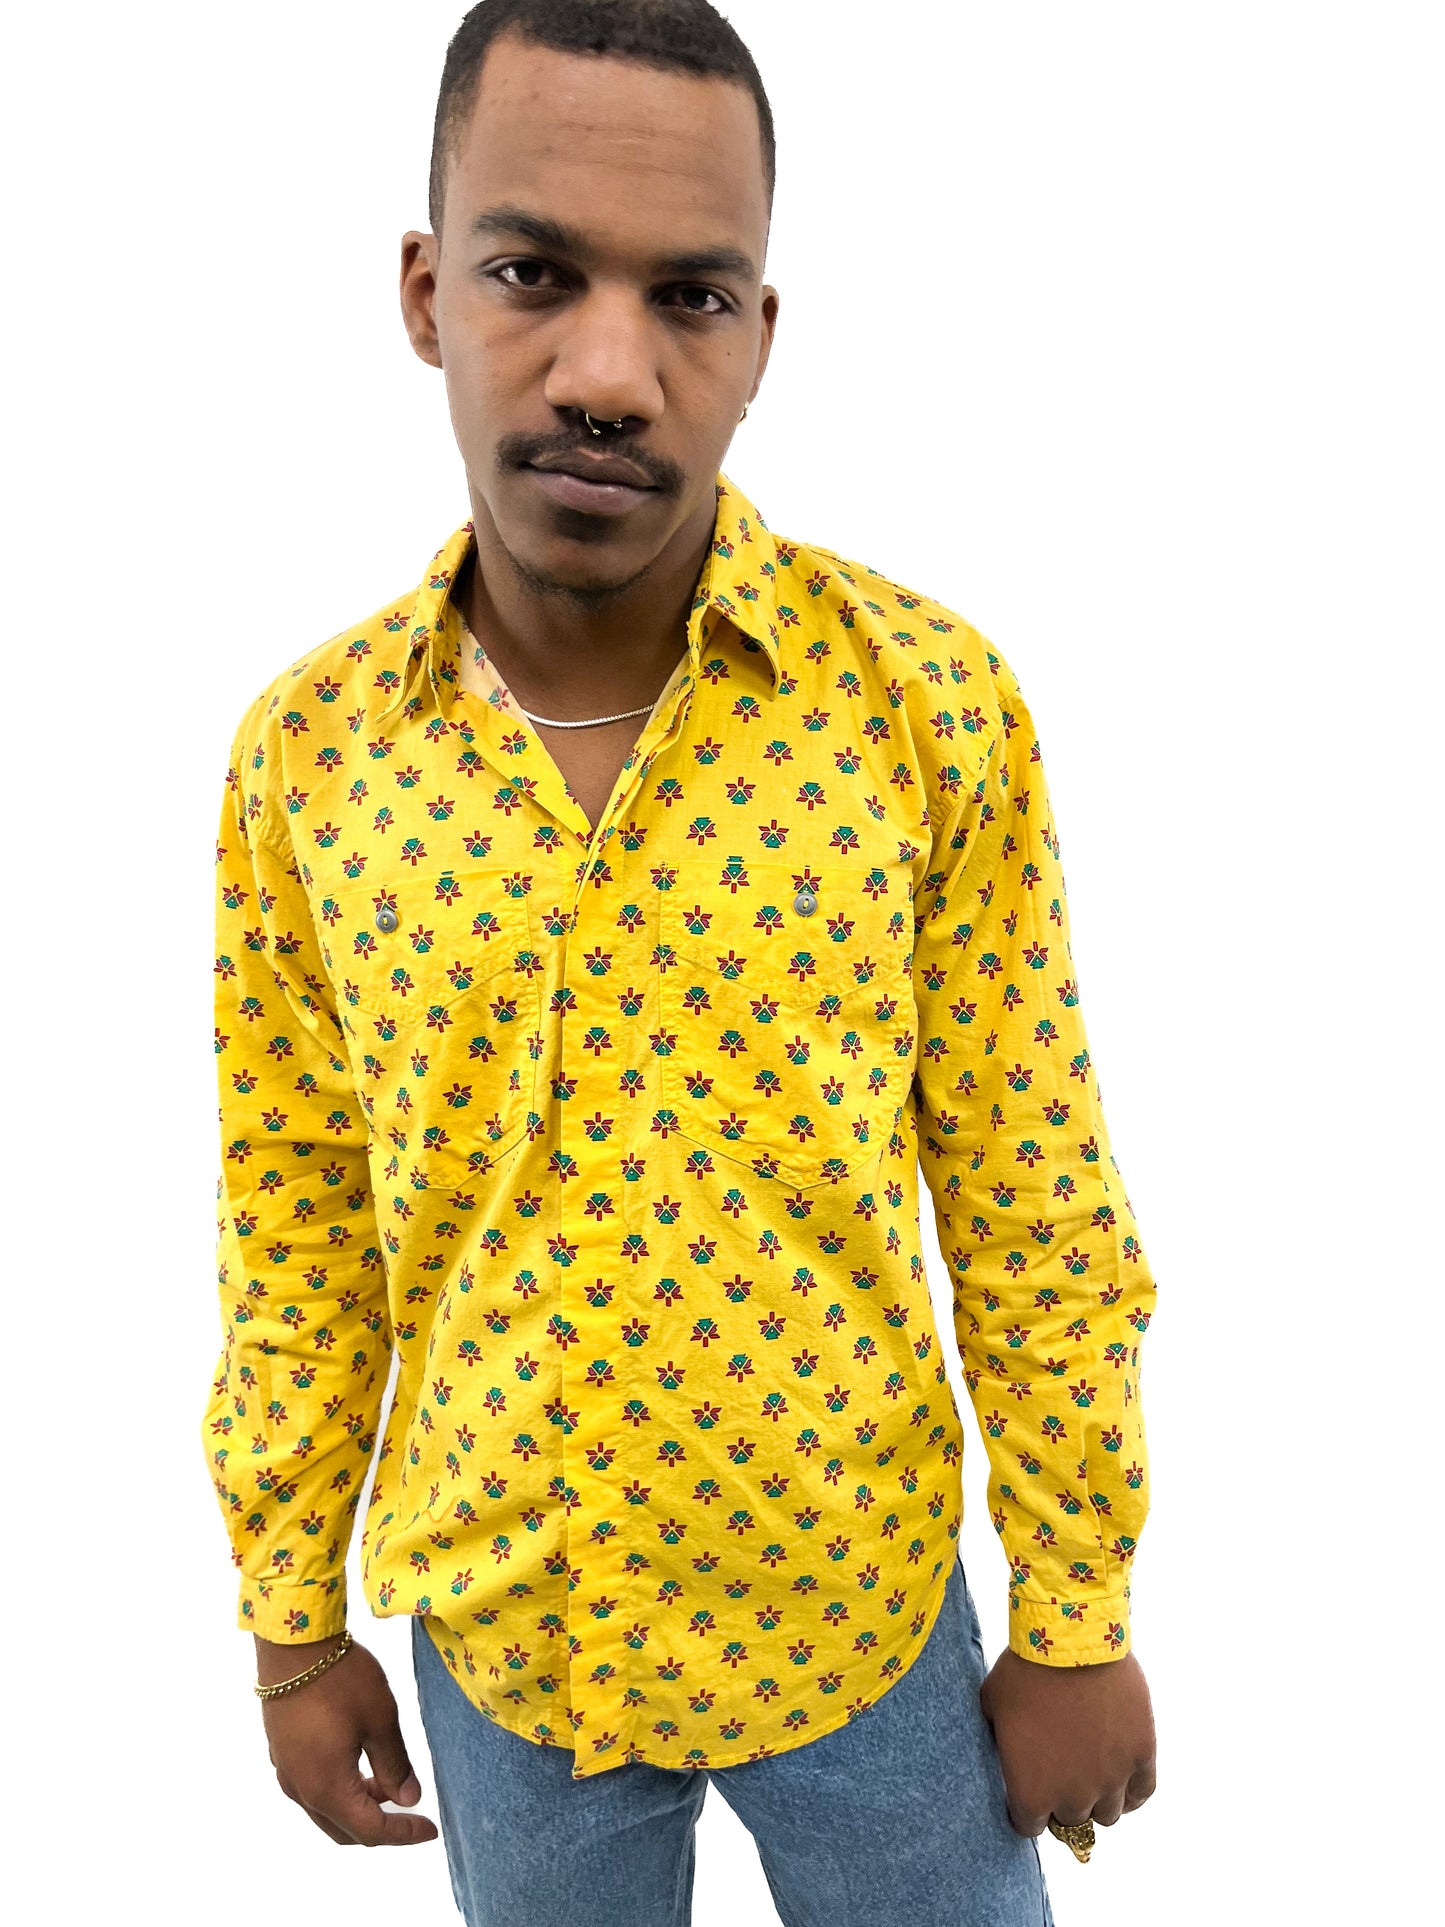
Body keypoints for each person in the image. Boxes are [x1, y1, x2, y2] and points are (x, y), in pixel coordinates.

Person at [200, 3, 1158, 1921]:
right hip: (510, 1653)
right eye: (533, 275)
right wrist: (291, 1630)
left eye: (691, 298)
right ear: (427, 292)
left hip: (862, 1627)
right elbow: (295, 1223)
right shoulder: (308, 759)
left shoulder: (922, 707)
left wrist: (1075, 1614)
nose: (608, 374)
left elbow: (1029, 1187)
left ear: (758, 341)